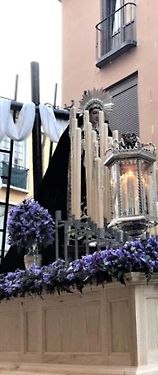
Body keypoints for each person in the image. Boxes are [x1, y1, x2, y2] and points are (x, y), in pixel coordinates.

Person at [0, 88, 113, 273]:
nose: (96, 117)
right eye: (93, 112)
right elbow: (61, 161)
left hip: (100, 187)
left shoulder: (108, 135)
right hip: (76, 186)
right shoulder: (75, 131)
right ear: (86, 114)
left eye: (99, 113)